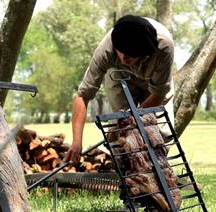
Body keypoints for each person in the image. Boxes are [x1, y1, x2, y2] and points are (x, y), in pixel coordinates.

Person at [64, 15, 175, 164]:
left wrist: (130, 120)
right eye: (119, 51)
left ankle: (155, 173)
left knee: (161, 132)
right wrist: (77, 141)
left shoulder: (164, 47)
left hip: (155, 84)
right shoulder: (106, 49)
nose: (123, 58)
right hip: (119, 77)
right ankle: (125, 171)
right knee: (119, 134)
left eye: (129, 56)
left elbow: (159, 93)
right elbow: (83, 96)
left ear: (144, 52)